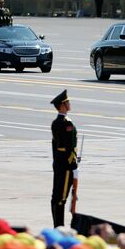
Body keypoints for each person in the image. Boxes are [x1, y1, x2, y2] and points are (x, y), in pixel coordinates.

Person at [50, 90, 78, 227]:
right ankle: (59, 226)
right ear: (62, 106)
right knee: (60, 198)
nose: (69, 104)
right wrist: (73, 163)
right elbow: (68, 146)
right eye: (67, 102)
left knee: (57, 196)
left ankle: (58, 225)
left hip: (59, 164)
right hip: (66, 165)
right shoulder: (65, 123)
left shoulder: (57, 122)